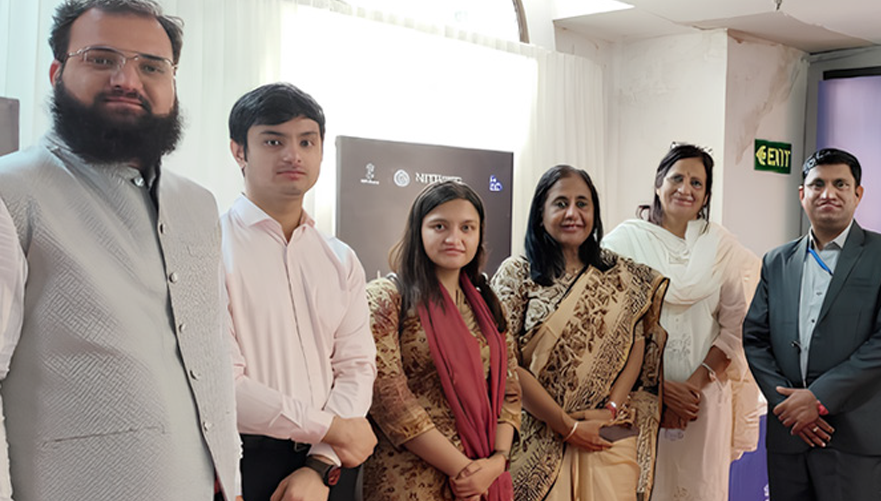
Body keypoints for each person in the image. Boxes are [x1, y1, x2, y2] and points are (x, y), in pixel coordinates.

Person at [0, 1, 238, 499]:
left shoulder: (197, 204)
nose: (128, 80)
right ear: (56, 72)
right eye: (101, 58)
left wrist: (228, 479)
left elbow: (208, 353)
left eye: (152, 66)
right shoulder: (11, 191)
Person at [222, 82, 378, 501]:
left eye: (307, 141)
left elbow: (357, 366)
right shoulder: (208, 248)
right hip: (245, 462)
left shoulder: (340, 257)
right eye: (273, 140)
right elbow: (223, 384)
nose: (293, 155)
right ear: (239, 151)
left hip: (329, 464)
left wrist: (321, 460)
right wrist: (333, 429)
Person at [743, 147, 881, 501]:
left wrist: (818, 399)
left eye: (840, 184)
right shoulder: (777, 260)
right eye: (817, 184)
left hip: (853, 435)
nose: (828, 193)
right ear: (802, 194)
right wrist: (790, 407)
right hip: (789, 433)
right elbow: (755, 338)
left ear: (858, 193)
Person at [491, 165, 668, 501]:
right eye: (560, 203)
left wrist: (612, 408)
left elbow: (636, 344)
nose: (573, 213)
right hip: (534, 437)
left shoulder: (621, 275)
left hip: (604, 436)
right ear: (540, 213)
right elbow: (505, 363)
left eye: (582, 204)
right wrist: (567, 426)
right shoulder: (517, 274)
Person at [602, 144, 762, 501]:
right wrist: (658, 389)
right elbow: (608, 328)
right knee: (640, 486)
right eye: (677, 178)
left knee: (698, 489)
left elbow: (737, 327)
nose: (685, 189)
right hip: (636, 398)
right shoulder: (622, 244)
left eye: (696, 183)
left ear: (705, 194)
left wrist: (691, 387)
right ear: (659, 183)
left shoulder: (722, 248)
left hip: (701, 401)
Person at [364, 180, 520, 501]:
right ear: (418, 231)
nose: (455, 238)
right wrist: (464, 470)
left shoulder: (489, 306)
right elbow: (389, 400)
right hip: (410, 479)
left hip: (483, 476)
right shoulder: (387, 298)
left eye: (467, 227)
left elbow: (510, 392)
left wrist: (496, 463)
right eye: (440, 226)